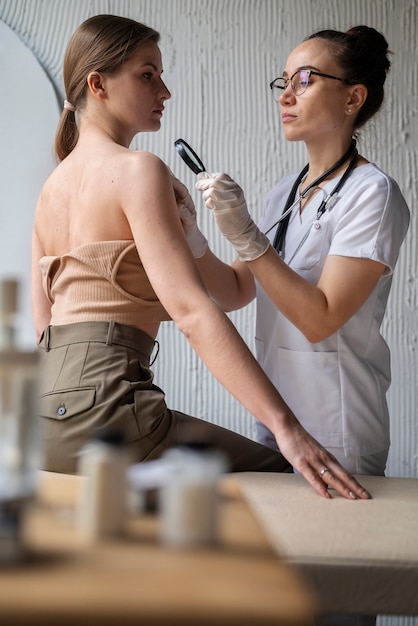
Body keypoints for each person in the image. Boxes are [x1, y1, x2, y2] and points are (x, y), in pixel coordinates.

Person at [31, 14, 369, 501]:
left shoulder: (50, 189)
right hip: (109, 411)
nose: (164, 91)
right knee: (285, 479)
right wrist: (288, 430)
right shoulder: (138, 170)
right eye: (148, 75)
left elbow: (45, 330)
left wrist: (200, 240)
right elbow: (192, 313)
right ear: (97, 84)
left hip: (44, 421)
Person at [188, 26, 410, 477]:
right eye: (283, 82)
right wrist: (192, 237)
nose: (286, 96)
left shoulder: (373, 194)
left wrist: (248, 236)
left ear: (353, 98)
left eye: (304, 81)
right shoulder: (284, 193)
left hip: (338, 426)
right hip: (276, 418)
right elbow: (233, 291)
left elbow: (319, 318)